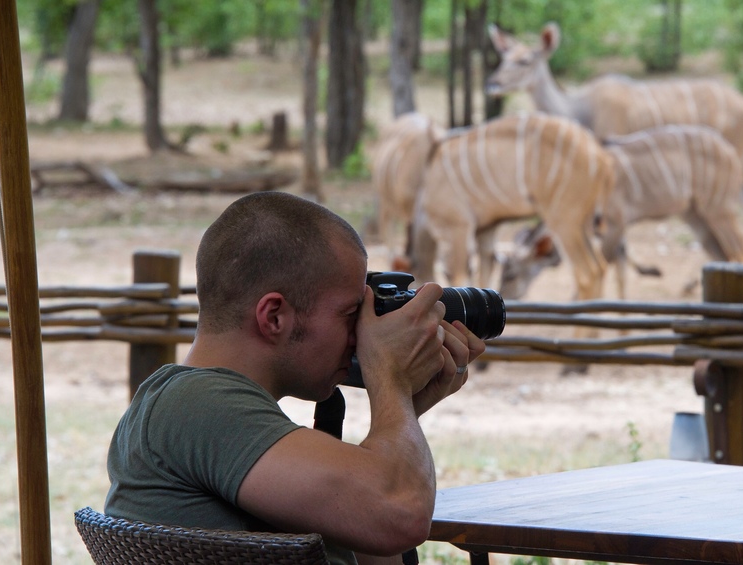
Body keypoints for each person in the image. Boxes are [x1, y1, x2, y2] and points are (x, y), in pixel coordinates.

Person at [104, 191, 485, 564]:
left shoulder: (200, 409)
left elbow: (377, 534)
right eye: (351, 313)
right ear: (274, 317)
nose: (362, 333)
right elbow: (401, 516)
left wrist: (402, 406)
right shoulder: (197, 403)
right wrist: (392, 381)